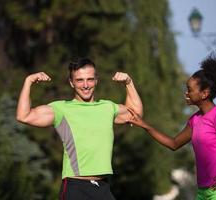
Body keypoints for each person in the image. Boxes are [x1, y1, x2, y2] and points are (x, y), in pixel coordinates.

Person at [127, 54, 216, 200]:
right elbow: (173, 144)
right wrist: (144, 124)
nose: (186, 92)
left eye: (190, 89)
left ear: (204, 93)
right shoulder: (195, 120)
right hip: (203, 193)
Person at [16, 58, 143, 200]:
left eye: (90, 79)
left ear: (96, 80)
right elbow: (24, 116)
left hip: (102, 187)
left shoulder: (107, 107)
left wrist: (129, 83)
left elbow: (136, 115)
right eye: (80, 80)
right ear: (71, 83)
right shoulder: (61, 109)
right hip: (75, 187)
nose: (86, 85)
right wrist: (28, 81)